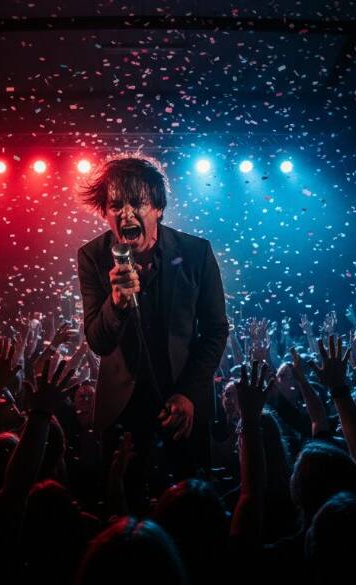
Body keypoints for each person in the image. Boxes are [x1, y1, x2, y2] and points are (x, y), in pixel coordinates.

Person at [77, 154, 229, 484]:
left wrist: (188, 393)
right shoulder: (92, 257)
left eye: (137, 203)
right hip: (123, 410)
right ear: (105, 212)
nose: (126, 213)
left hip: (183, 407)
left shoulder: (195, 253)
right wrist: (115, 302)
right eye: (116, 205)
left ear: (158, 208)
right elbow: (98, 341)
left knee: (191, 506)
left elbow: (216, 330)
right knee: (122, 514)